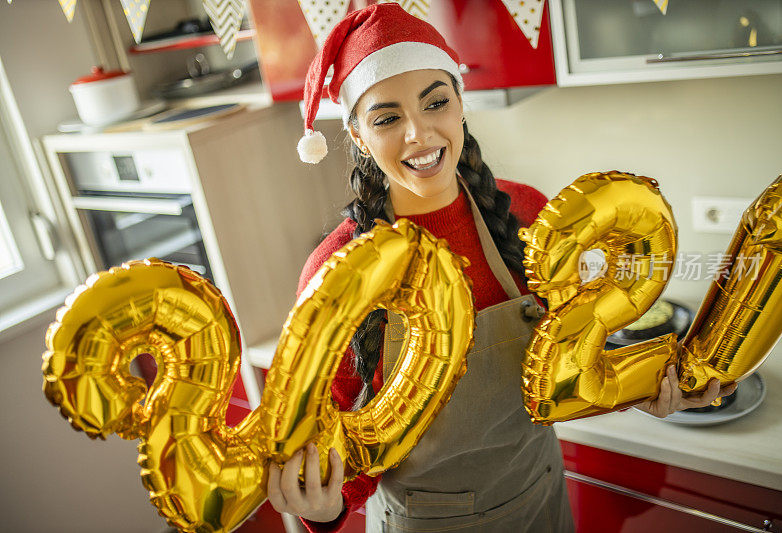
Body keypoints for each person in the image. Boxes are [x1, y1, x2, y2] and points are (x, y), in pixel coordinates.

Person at [267, 4, 737, 532]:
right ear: (357, 135)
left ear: (460, 104)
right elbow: (333, 452)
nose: (419, 133)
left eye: (436, 103)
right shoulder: (338, 271)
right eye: (387, 118)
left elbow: (569, 367)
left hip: (541, 497)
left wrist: (641, 391)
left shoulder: (529, 213)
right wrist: (323, 508)